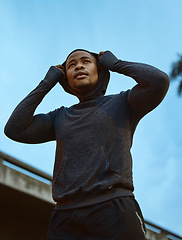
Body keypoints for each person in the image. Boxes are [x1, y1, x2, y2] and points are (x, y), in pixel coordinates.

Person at [4, 49, 170, 240]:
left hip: (113, 206)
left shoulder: (123, 103)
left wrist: (116, 64)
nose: (79, 66)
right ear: (65, 79)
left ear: (100, 70)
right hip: (66, 216)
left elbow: (159, 81)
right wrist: (46, 83)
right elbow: (14, 129)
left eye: (86, 61)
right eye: (71, 65)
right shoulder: (60, 117)